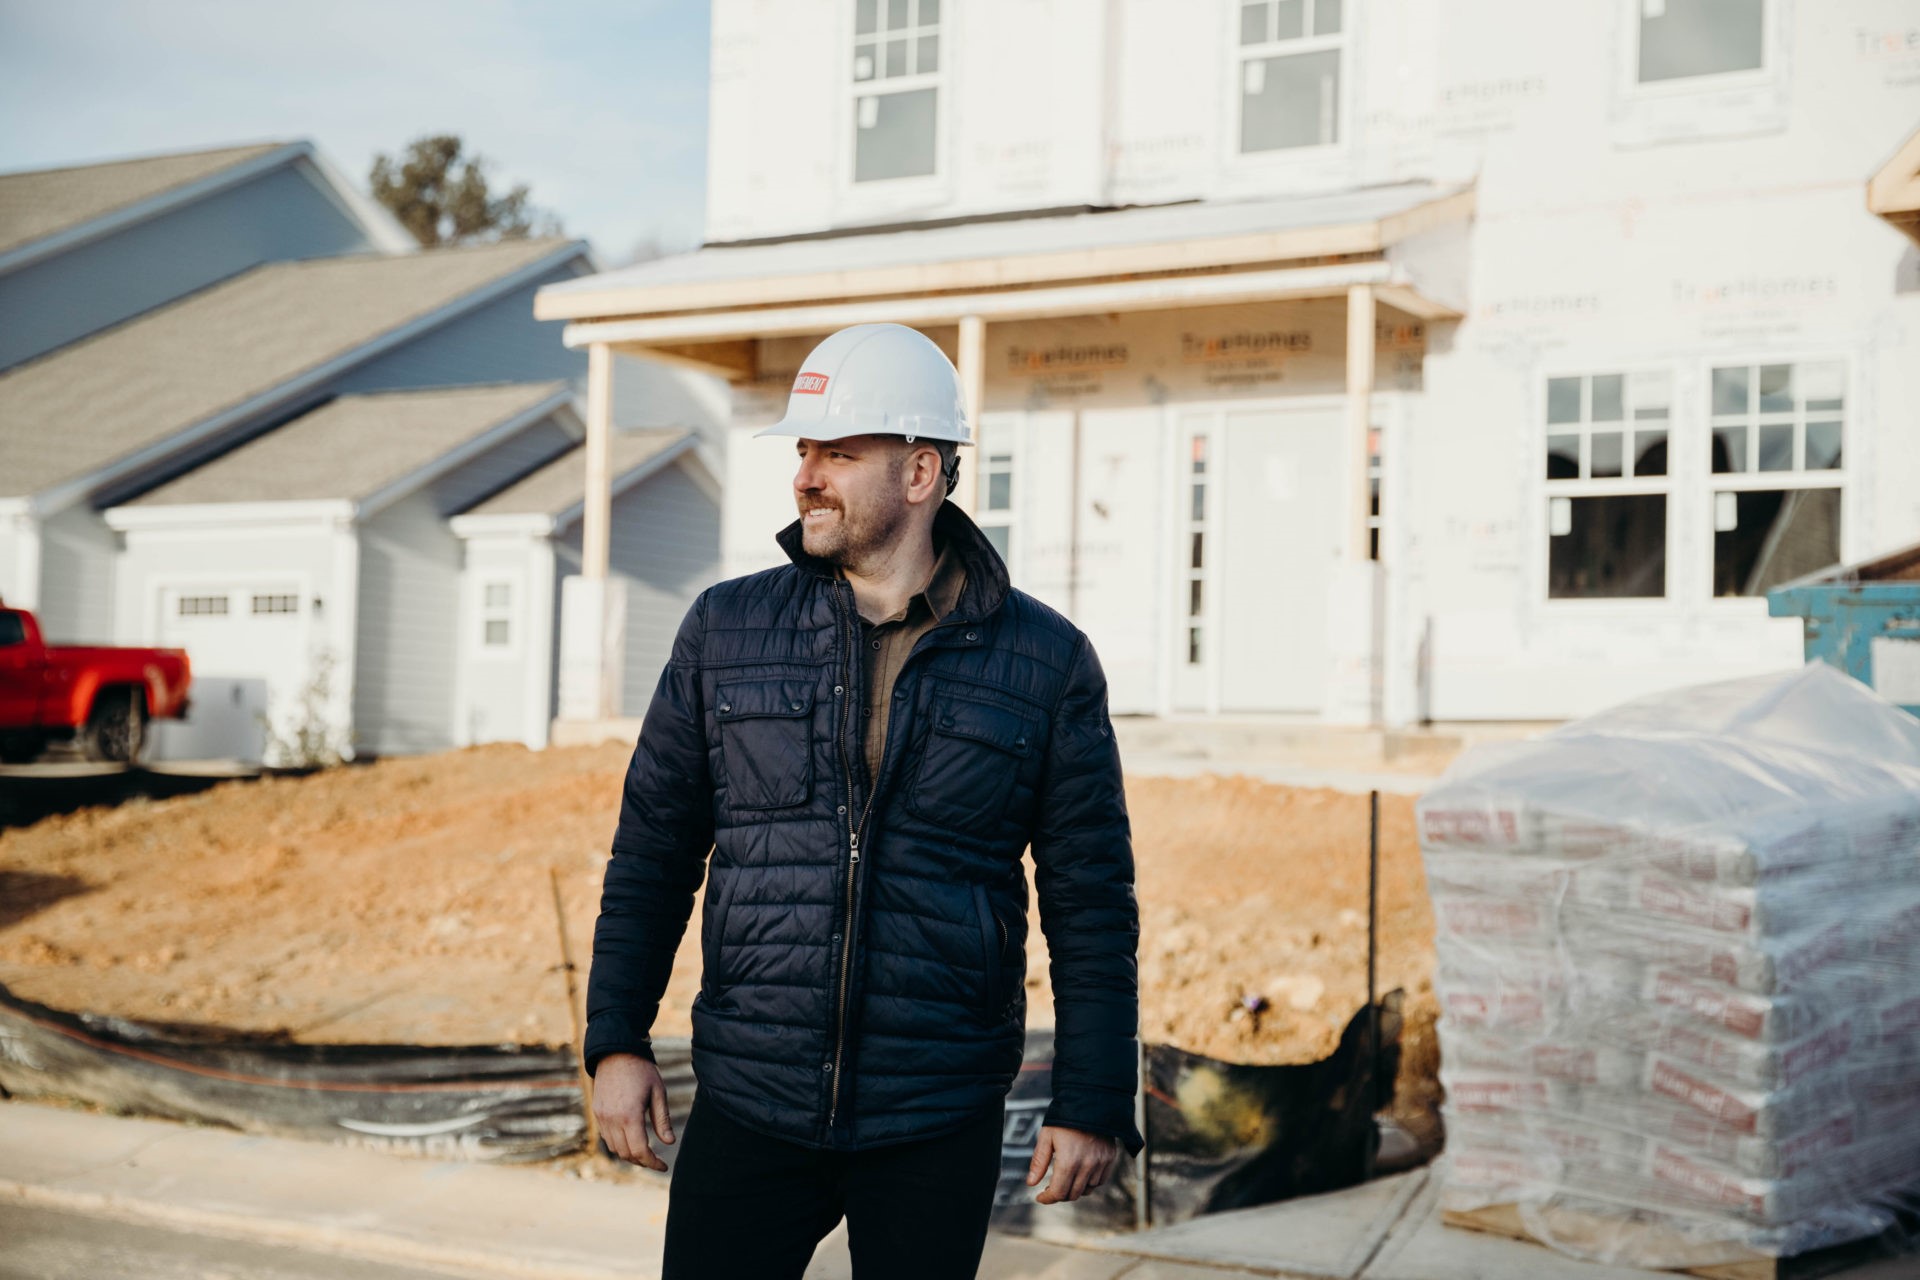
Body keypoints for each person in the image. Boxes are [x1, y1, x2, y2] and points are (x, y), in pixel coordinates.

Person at [583, 322, 1144, 1279]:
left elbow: (1090, 901)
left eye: (837, 454)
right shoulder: (727, 630)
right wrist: (614, 1041)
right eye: (803, 450)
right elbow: (653, 852)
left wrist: (1092, 1097)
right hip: (751, 1098)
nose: (805, 476)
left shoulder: (1044, 662)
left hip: (935, 1112)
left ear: (921, 472)